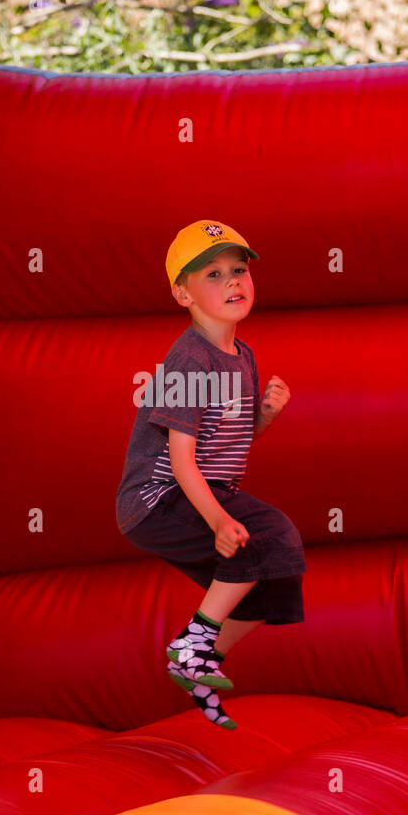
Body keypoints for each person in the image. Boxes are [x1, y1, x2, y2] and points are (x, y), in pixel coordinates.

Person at [115, 219, 307, 729]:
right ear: (182, 294)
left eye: (238, 270)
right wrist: (220, 521)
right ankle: (195, 639)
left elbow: (228, 443)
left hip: (200, 488)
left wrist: (262, 417)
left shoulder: (242, 356)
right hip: (158, 498)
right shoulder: (188, 361)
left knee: (273, 578)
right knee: (272, 532)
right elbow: (181, 459)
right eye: (213, 275)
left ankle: (199, 661)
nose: (232, 282)